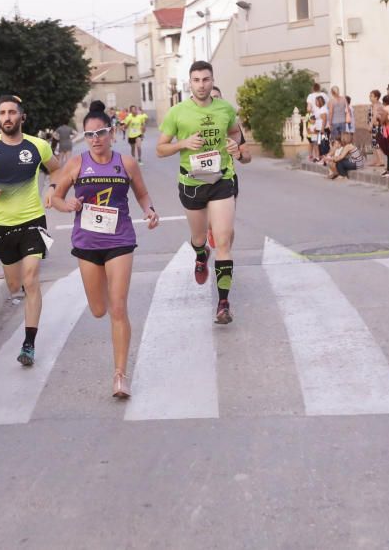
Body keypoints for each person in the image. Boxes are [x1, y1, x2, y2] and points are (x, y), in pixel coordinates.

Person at [50, 105, 159, 398]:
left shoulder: (126, 163)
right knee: (99, 310)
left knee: (119, 307)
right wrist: (67, 205)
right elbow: (55, 197)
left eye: (100, 133)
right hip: (87, 244)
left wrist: (149, 211)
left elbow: (142, 193)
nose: (95, 139)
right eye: (89, 134)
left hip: (120, 239)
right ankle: (110, 306)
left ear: (111, 133)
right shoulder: (75, 163)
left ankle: (120, 375)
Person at [0, 94, 61, 366]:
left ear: (22, 117)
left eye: (11, 112)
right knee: (15, 285)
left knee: (31, 280)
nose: (6, 117)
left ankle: (28, 344)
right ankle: (27, 332)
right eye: (2, 113)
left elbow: (57, 171)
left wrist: (52, 189)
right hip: (3, 224)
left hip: (33, 220)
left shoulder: (38, 146)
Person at [156, 61, 249, 325]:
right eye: (196, 80)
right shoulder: (177, 112)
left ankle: (223, 303)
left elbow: (235, 134)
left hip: (222, 179)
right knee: (198, 238)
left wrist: (236, 147)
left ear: (212, 80)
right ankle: (200, 254)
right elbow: (160, 149)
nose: (201, 85)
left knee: (222, 240)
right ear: (190, 83)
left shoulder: (225, 109)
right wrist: (183, 143)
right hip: (192, 182)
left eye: (206, 79)